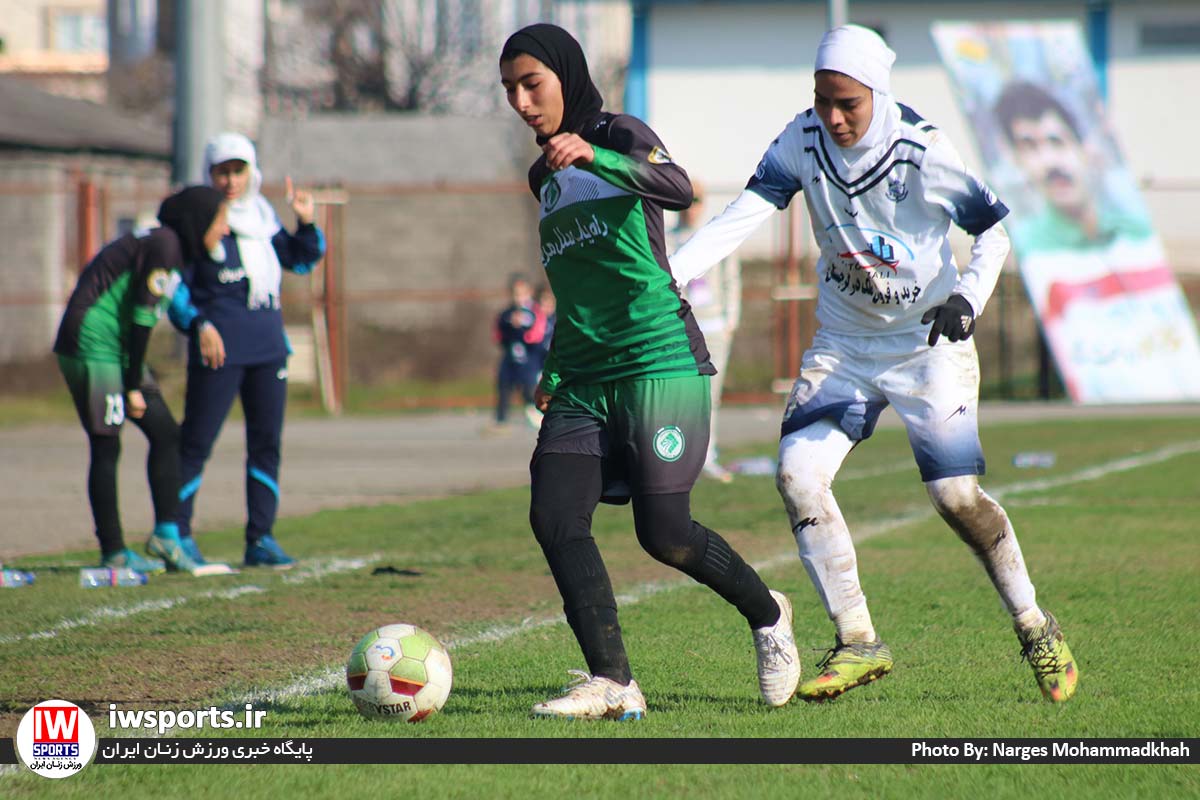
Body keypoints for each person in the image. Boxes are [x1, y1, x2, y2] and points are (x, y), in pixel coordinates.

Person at [671, 25, 1078, 703]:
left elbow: (994, 232)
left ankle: (1035, 625)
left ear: (877, 95)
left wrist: (968, 300)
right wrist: (671, 275)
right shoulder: (801, 140)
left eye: (847, 104)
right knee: (798, 476)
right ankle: (858, 639)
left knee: (954, 498)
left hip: (926, 346)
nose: (833, 116)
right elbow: (744, 214)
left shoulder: (922, 148)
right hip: (844, 347)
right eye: (822, 99)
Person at [499, 23, 799, 720]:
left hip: (659, 359)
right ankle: (612, 681)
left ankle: (768, 615)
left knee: (663, 533)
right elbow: (574, 286)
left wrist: (597, 156)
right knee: (554, 514)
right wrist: (554, 364)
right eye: (510, 88)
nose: (520, 100)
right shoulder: (541, 176)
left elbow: (678, 187)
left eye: (531, 83)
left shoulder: (619, 132)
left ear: (566, 78)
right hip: (584, 376)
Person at [168, 132, 326, 570]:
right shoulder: (195, 220)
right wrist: (198, 324)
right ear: (210, 174)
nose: (231, 180)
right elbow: (174, 290)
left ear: (251, 173)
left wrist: (307, 222)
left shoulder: (262, 217)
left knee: (265, 444)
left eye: (238, 170)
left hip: (267, 345)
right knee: (196, 442)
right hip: (218, 348)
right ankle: (175, 533)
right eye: (222, 171)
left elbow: (300, 260)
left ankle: (261, 539)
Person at [54, 186, 228, 574]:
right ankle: (113, 552)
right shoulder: (165, 246)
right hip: (92, 344)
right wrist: (132, 386)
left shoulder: (170, 248)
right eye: (220, 222)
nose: (224, 230)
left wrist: (132, 379)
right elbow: (141, 319)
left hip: (117, 350)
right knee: (106, 444)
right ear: (198, 221)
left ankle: (167, 535)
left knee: (167, 433)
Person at [992, 80, 1152, 253]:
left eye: (1056, 141)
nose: (1049, 162)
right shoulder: (1027, 247)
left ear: (1084, 149)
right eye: (1030, 147)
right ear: (1016, 160)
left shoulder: (1137, 232)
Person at [669, 183, 741, 483]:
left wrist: (729, 322)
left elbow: (731, 280)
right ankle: (677, 457)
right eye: (686, 200)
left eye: (696, 200)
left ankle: (707, 456)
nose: (691, 207)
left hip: (712, 326)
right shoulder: (666, 238)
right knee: (677, 396)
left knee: (710, 395)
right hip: (680, 327)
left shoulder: (715, 235)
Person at [493, 273, 545, 427]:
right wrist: (509, 328)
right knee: (503, 384)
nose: (519, 297)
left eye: (522, 293)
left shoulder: (535, 311)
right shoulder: (507, 313)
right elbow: (499, 333)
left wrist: (523, 329)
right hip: (511, 356)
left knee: (529, 388)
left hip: (530, 358)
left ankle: (536, 413)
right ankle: (501, 419)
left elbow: (537, 334)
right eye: (516, 294)